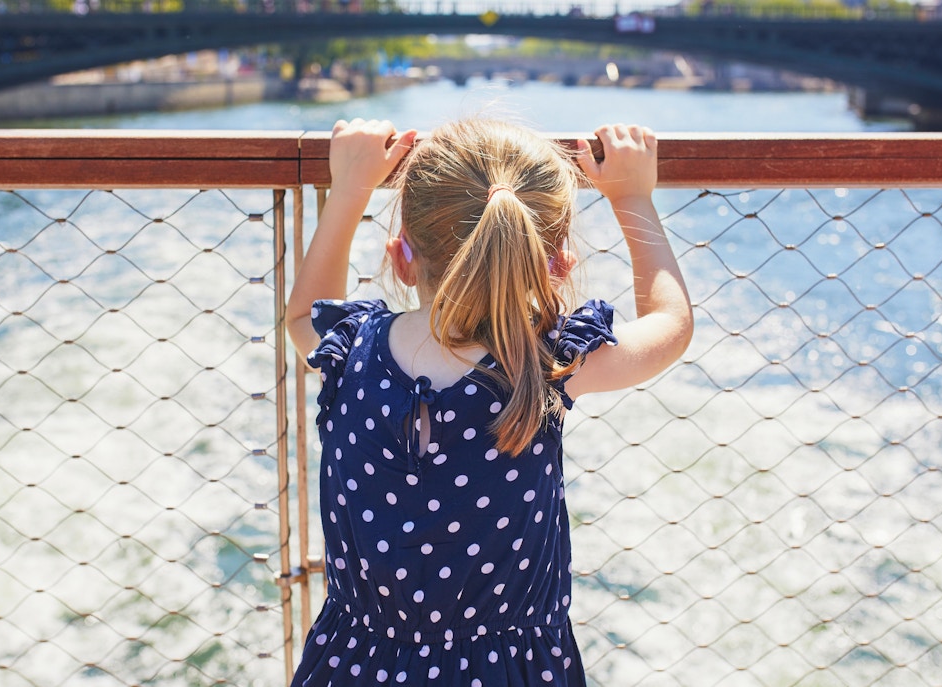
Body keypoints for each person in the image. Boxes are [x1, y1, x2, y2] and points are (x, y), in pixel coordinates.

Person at [284, 117, 693, 686]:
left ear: (402, 257)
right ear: (556, 262)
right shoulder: (547, 364)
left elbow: (303, 314)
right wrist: (631, 196)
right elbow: (670, 325)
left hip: (357, 668)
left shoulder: (350, 351)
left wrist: (349, 188)